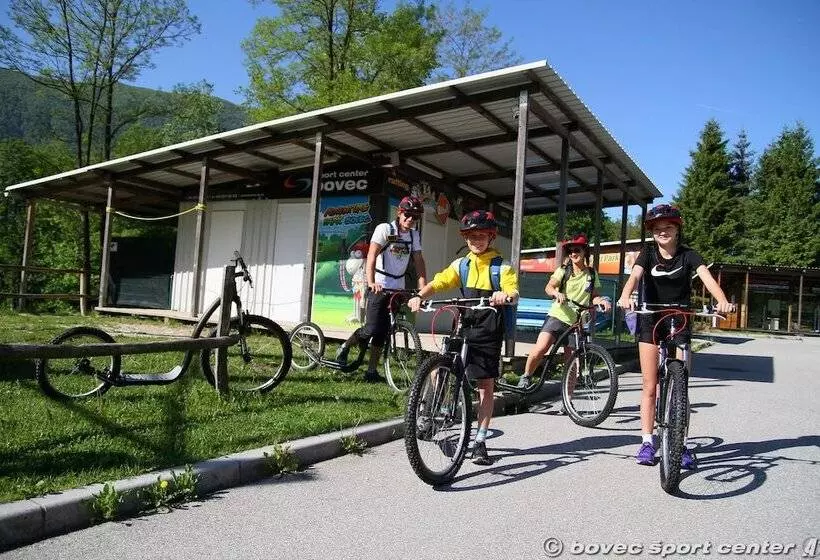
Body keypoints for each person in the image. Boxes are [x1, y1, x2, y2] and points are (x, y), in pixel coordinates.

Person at [616, 204, 733, 469]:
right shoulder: (647, 253)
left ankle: (681, 444)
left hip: (680, 318)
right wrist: (625, 295)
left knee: (682, 385)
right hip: (650, 317)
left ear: (677, 229)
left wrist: (722, 300)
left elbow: (706, 277)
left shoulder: (688, 255)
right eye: (657, 229)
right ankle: (647, 441)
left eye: (667, 227)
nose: (662, 232)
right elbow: (635, 276)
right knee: (649, 384)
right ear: (652, 233)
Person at [408, 210, 519, 466]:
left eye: (481, 236)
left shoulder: (501, 267)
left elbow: (512, 291)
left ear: (491, 237)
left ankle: (480, 441)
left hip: (489, 328)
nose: (475, 241)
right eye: (471, 237)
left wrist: (505, 296)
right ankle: (429, 415)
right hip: (464, 323)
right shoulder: (462, 265)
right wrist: (421, 295)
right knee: (439, 368)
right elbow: (439, 282)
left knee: (484, 386)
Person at [336, 196, 427, 382]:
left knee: (383, 333)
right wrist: (371, 282)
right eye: (408, 215)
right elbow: (371, 256)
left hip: (398, 288)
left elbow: (418, 261)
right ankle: (345, 346)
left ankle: (371, 371)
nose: (411, 219)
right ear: (399, 213)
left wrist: (422, 287)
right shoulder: (385, 229)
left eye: (415, 217)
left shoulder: (413, 235)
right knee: (370, 329)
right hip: (379, 286)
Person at [517, 233, 612, 391]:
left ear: (584, 252)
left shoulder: (591, 273)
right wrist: (557, 293)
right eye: (570, 251)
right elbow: (549, 287)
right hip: (558, 315)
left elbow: (593, 296)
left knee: (573, 362)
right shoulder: (563, 270)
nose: (573, 253)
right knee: (541, 348)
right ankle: (526, 376)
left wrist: (601, 301)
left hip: (577, 322)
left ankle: (568, 400)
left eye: (577, 250)